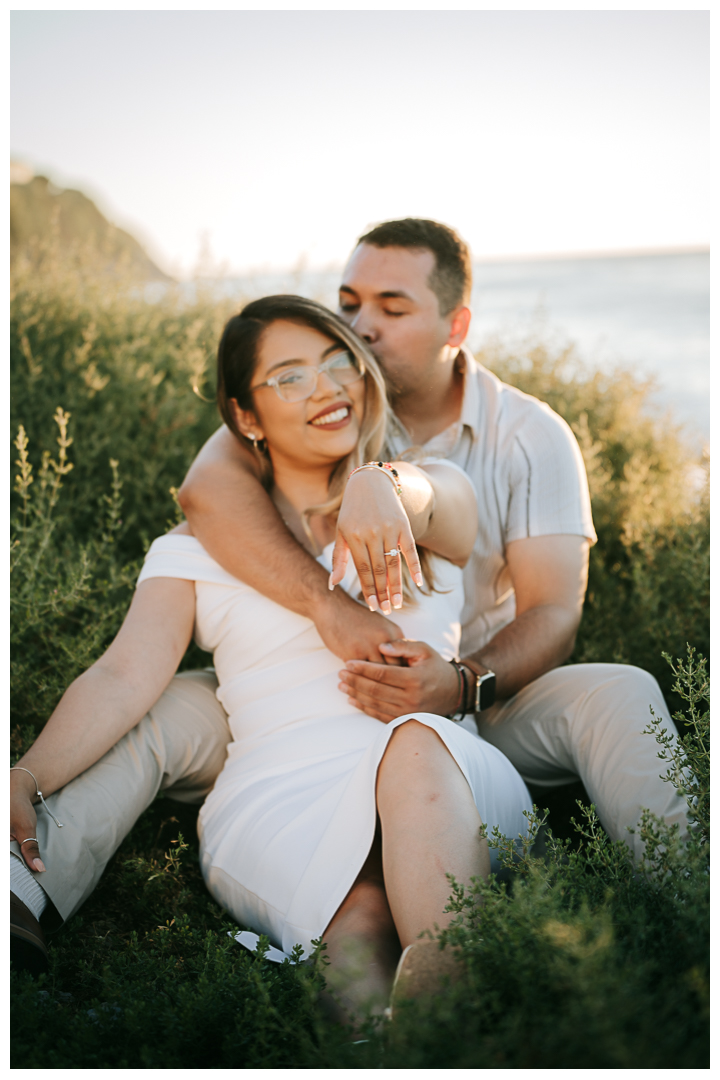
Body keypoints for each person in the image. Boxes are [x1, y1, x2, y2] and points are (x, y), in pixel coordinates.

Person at [11, 297, 532, 1019]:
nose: (326, 387)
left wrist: (381, 484)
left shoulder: (428, 497)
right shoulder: (189, 552)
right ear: (244, 417)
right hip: (279, 799)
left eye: (337, 361)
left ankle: (446, 1026)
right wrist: (26, 775)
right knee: (362, 927)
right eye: (288, 378)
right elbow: (124, 676)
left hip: (450, 775)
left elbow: (440, 498)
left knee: (413, 744)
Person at [177, 218, 688, 858]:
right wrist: (326, 604)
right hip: (328, 686)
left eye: (392, 308)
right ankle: (20, 875)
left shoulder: (531, 435)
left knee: (623, 691)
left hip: (494, 700)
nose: (361, 327)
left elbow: (554, 610)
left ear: (455, 327)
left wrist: (462, 682)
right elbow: (206, 490)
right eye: (350, 303)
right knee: (155, 706)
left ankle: (689, 903)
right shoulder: (329, 403)